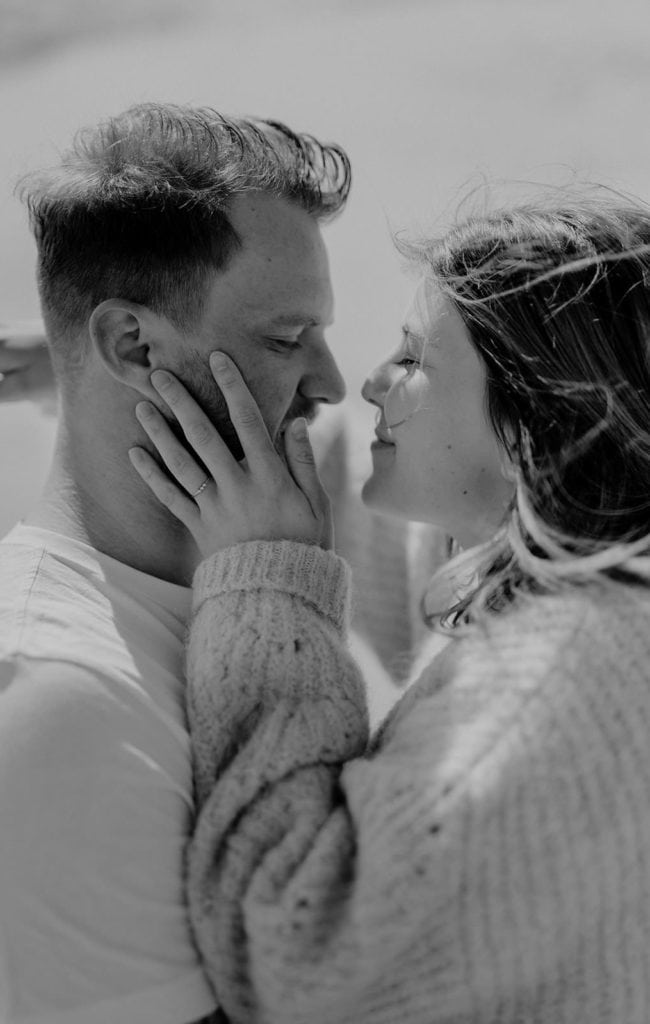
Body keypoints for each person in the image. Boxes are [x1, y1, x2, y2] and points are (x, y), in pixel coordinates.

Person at [126, 193, 650, 1023]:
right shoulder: (556, 578)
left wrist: (269, 580)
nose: (366, 383)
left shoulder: (551, 691)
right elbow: (332, 471)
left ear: (530, 428)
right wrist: (155, 366)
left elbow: (298, 960)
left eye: (412, 359)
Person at [0, 101, 437, 1024]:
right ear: (133, 345)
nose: (333, 384)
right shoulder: (54, 706)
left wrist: (86, 374)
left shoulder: (246, 577)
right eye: (285, 339)